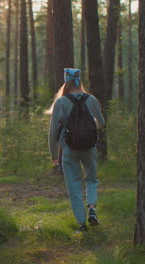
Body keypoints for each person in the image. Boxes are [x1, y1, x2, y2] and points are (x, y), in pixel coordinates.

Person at [47, 68, 105, 232]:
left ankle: (81, 223)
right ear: (80, 80)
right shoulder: (91, 99)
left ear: (66, 81)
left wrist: (53, 154)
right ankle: (92, 209)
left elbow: (53, 132)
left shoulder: (61, 102)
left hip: (68, 148)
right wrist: (90, 127)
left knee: (73, 184)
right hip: (89, 147)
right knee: (91, 179)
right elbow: (102, 123)